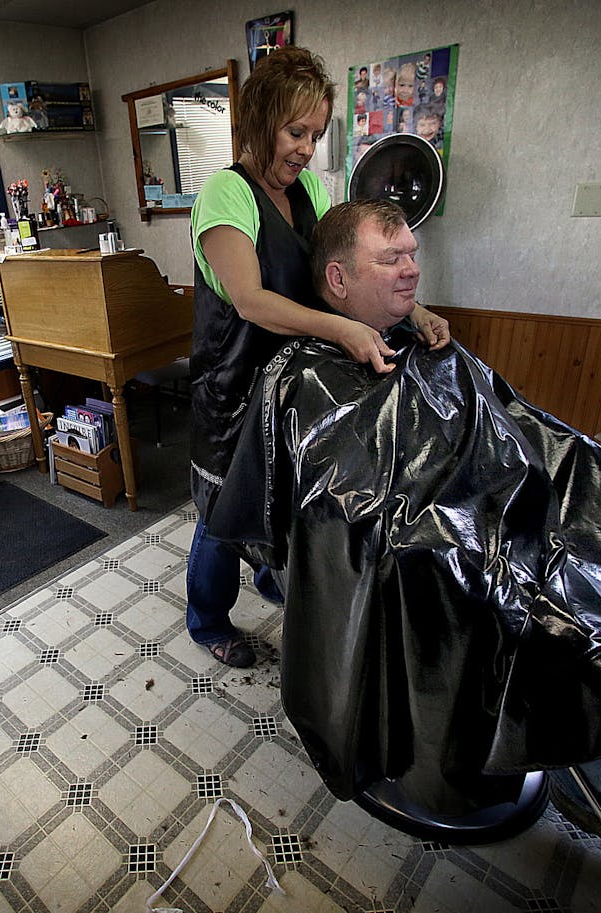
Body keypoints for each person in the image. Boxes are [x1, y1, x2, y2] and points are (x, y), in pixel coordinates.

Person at [209, 200, 601, 901]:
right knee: (593, 627)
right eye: (391, 258)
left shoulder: (423, 340)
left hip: (525, 518)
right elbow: (346, 510)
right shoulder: (303, 374)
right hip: (454, 556)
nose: (412, 269)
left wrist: (568, 493)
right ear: (338, 281)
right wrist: (472, 539)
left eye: (412, 252)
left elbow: (517, 431)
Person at [186, 46, 452, 668]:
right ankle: (208, 620)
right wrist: (341, 331)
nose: (307, 148)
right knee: (222, 514)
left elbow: (343, 269)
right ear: (258, 123)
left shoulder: (307, 188)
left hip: (290, 388)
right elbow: (250, 301)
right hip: (232, 386)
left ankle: (271, 577)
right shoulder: (227, 195)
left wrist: (409, 310)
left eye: (316, 133)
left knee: (281, 496)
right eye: (294, 131)